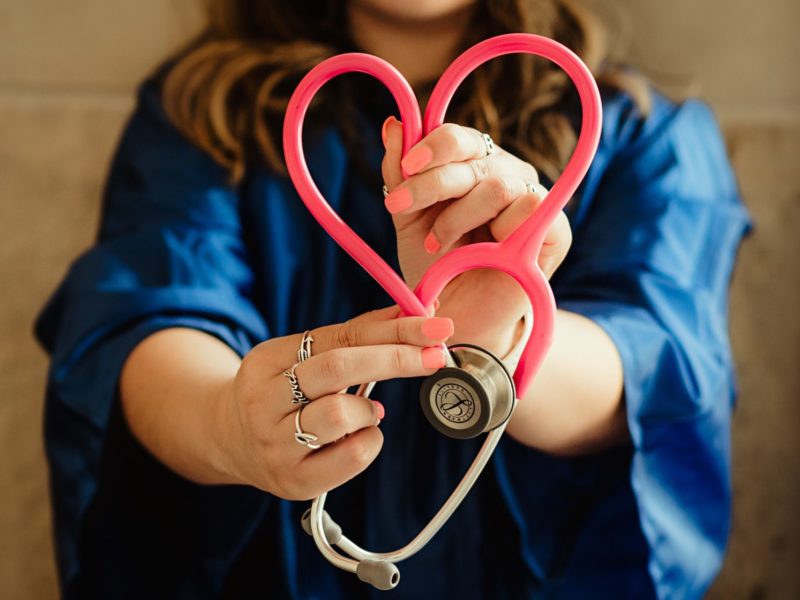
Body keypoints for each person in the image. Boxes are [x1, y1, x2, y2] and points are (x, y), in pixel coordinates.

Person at [35, 0, 751, 598]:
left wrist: (496, 343)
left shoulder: (644, 134)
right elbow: (142, 317)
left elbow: (657, 365)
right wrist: (228, 424)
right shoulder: (198, 116)